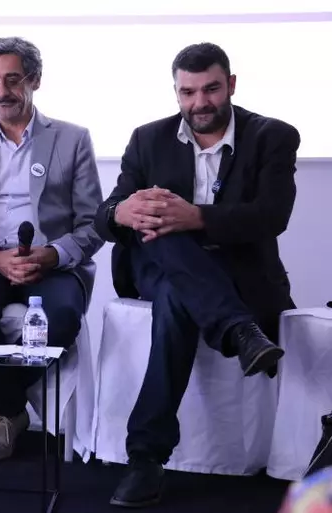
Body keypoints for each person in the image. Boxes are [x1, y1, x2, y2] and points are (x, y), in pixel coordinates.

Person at [95, 42, 299, 507]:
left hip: (235, 269)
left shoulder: (273, 136)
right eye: (187, 92)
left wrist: (197, 218)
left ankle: (145, 458)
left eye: (210, 89)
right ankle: (238, 331)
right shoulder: (148, 138)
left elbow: (272, 216)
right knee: (159, 218)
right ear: (176, 92)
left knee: (175, 297)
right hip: (156, 260)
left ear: (230, 84)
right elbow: (102, 218)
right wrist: (123, 211)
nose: (199, 103)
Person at [0, 37, 104, 461]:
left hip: (50, 263)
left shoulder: (72, 139)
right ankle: (12, 409)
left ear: (34, 80)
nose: (1, 92)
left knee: (63, 317)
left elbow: (94, 224)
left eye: (12, 80)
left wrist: (51, 254)